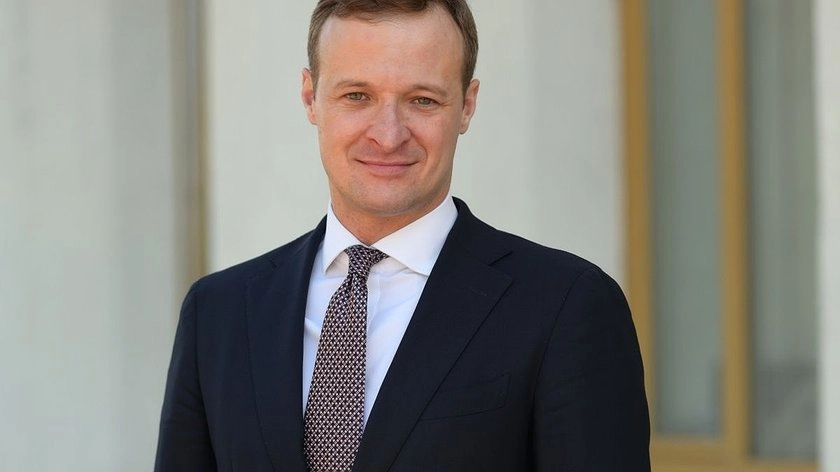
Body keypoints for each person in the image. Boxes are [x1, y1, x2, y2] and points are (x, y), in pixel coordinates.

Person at [154, 0, 651, 470]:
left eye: (422, 100)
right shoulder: (218, 314)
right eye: (357, 96)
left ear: (467, 106)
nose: (388, 134)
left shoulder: (566, 307)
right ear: (310, 97)